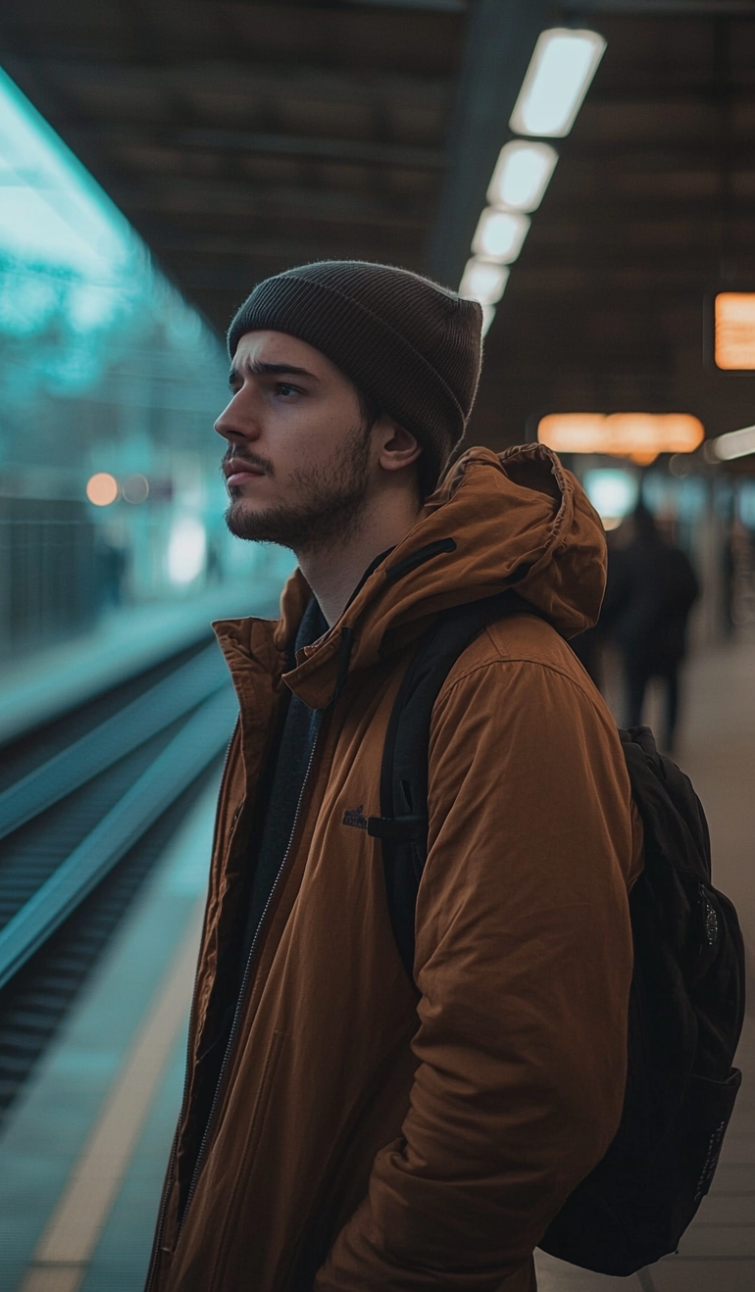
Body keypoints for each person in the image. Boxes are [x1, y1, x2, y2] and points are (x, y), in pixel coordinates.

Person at [146, 261, 641, 1292]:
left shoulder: (501, 687)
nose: (230, 419)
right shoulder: (300, 671)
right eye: (237, 379)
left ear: (394, 438)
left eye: (283, 388)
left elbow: (519, 1097)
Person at [604, 503, 700, 751]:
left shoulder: (625, 557)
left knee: (635, 692)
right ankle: (670, 740)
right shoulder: (675, 555)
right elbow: (692, 592)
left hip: (635, 639)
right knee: (671, 689)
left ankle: (635, 745)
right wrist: (679, 622)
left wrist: (614, 630)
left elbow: (612, 598)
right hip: (669, 638)